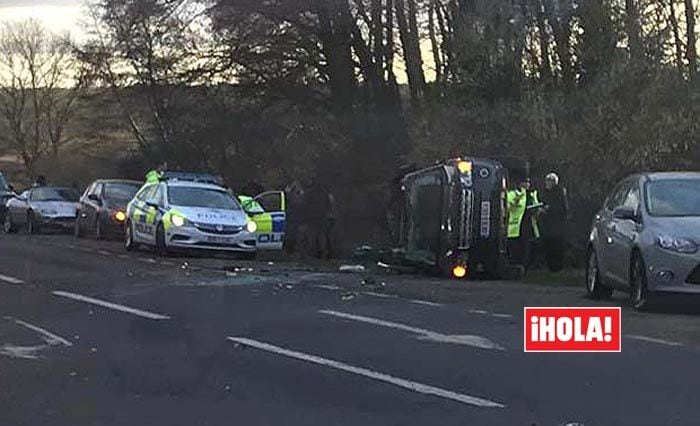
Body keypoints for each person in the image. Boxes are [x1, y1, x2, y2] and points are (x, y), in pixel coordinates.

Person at [540, 172, 569, 272]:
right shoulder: (545, 192)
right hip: (547, 224)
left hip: (557, 225)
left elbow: (563, 208)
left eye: (549, 181)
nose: (547, 183)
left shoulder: (560, 192)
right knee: (549, 245)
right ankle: (550, 267)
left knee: (557, 246)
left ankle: (558, 267)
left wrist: (549, 209)